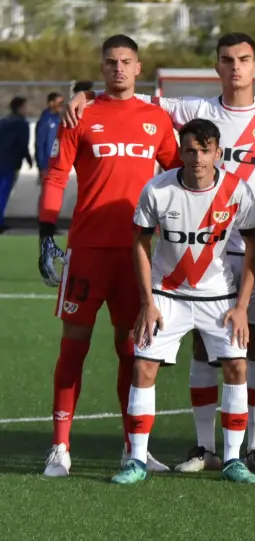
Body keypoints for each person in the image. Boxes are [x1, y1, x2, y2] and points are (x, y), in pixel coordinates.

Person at [65, 32, 255, 474]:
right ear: (216, 66)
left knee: (247, 352)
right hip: (193, 255)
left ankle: (250, 448)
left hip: (253, 246)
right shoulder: (196, 110)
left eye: (244, 59)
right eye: (227, 60)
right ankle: (202, 447)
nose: (235, 67)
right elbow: (129, 96)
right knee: (200, 349)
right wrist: (85, 93)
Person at [38, 34, 180, 477]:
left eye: (126, 61)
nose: (118, 68)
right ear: (101, 68)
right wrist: (45, 230)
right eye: (110, 62)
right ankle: (60, 448)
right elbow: (58, 173)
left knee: (131, 352)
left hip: (136, 254)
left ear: (139, 68)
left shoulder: (156, 118)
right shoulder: (82, 113)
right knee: (72, 348)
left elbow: (177, 174)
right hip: (86, 252)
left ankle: (132, 448)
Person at [112, 118, 255, 485]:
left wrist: (242, 306)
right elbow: (141, 244)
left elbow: (254, 246)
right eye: (190, 150)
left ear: (218, 153)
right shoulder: (158, 189)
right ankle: (136, 460)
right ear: (180, 152)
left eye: (205, 150)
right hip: (167, 295)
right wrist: (147, 301)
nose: (197, 158)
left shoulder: (238, 192)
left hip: (219, 296)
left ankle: (231, 459)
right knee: (142, 368)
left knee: (237, 368)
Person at [0, 96, 32, 232]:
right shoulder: (22, 124)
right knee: (3, 192)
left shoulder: (3, 121)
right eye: (25, 107)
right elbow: (22, 144)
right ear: (20, 107)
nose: (26, 110)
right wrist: (29, 159)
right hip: (10, 162)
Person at [35, 92, 64, 183]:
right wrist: (42, 166)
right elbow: (39, 144)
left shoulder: (59, 119)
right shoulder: (45, 120)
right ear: (51, 103)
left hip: (58, 164)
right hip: (48, 165)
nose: (61, 106)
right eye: (59, 103)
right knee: (47, 193)